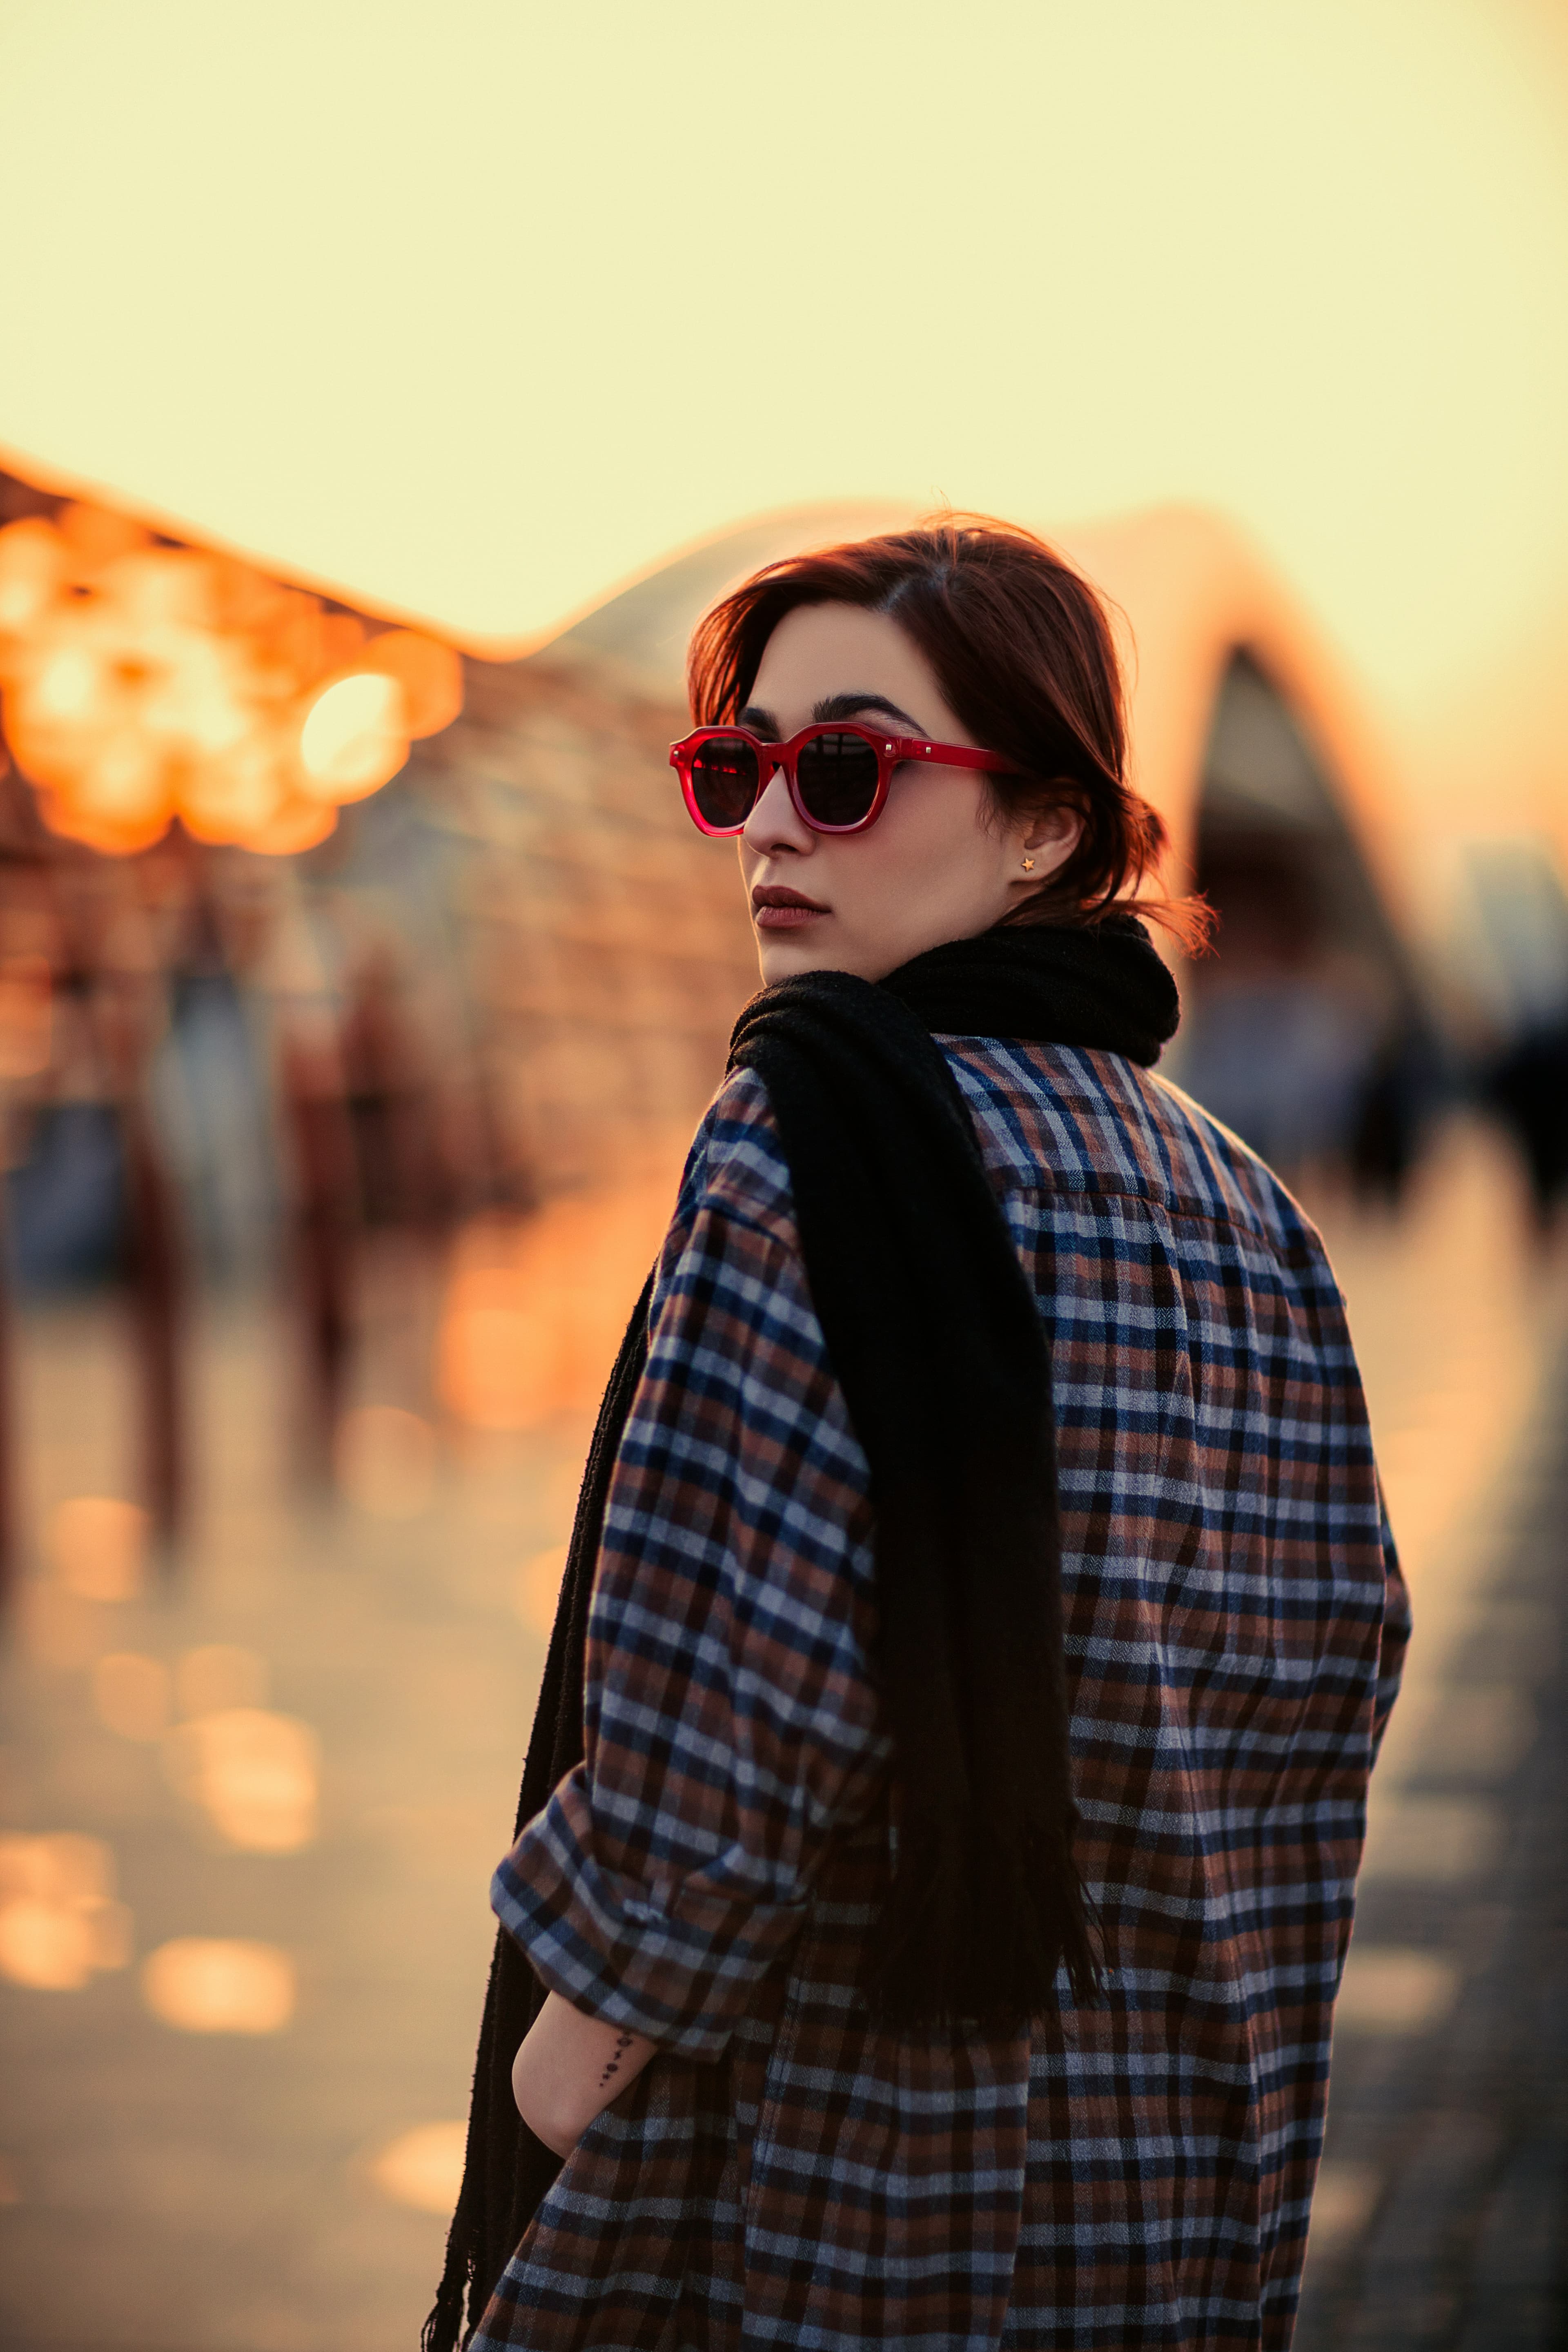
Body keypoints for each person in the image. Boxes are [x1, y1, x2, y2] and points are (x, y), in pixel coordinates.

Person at [427, 517, 1410, 2352]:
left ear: (1049, 824)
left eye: (853, 765)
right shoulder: (1252, 1212)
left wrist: (575, 2049)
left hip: (844, 2171)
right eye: (741, 766)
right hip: (1167, 2192)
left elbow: (741, 1706)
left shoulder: (804, 1140)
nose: (775, 827)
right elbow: (1334, 1673)